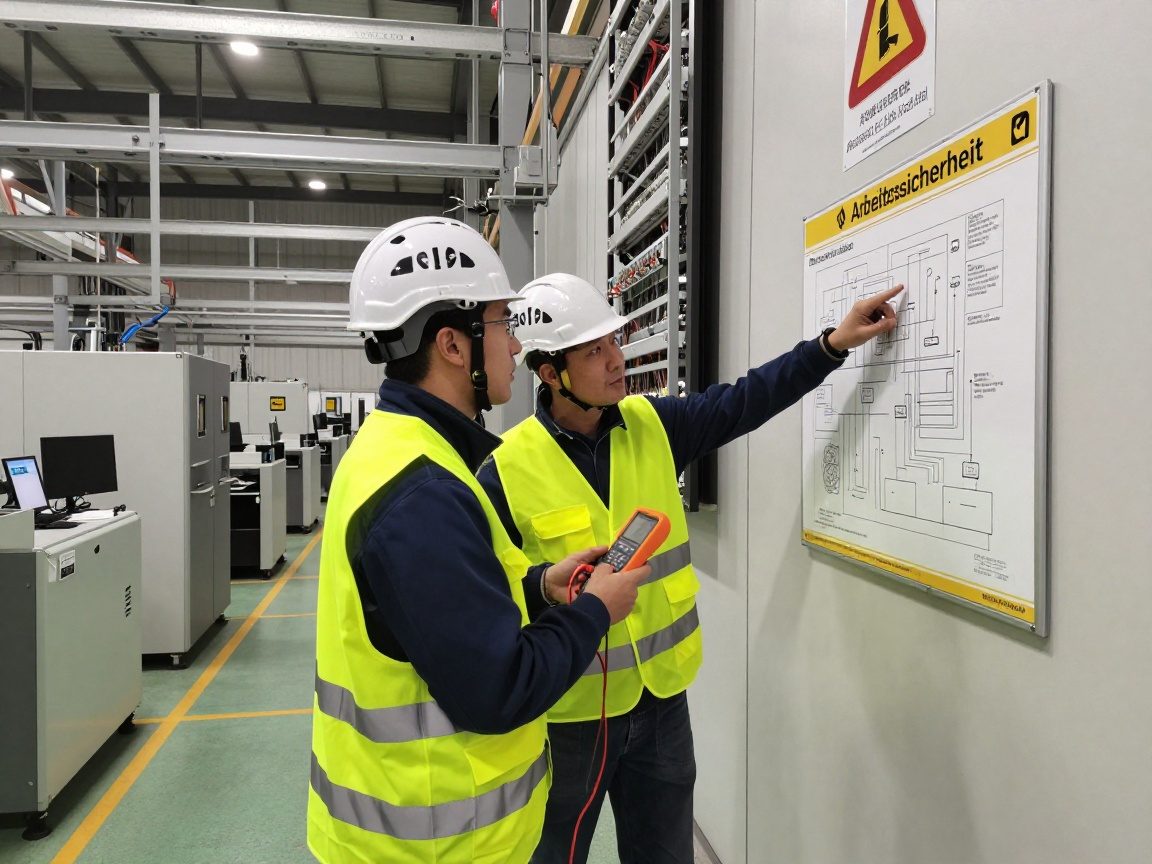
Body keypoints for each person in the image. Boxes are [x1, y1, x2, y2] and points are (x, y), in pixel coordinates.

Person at [478, 272, 902, 863]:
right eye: (594, 351)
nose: (616, 360)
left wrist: (831, 346)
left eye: (613, 342)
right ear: (551, 374)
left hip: (661, 704)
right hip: (569, 717)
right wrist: (548, 587)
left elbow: (746, 400)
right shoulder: (504, 469)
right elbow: (495, 595)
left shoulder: (654, 425)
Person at [307, 222, 652, 864]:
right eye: (502, 324)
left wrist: (538, 586)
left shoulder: (399, 448)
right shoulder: (422, 491)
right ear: (452, 344)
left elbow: (434, 615)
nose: (516, 345)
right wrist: (595, 610)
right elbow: (500, 689)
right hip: (439, 843)